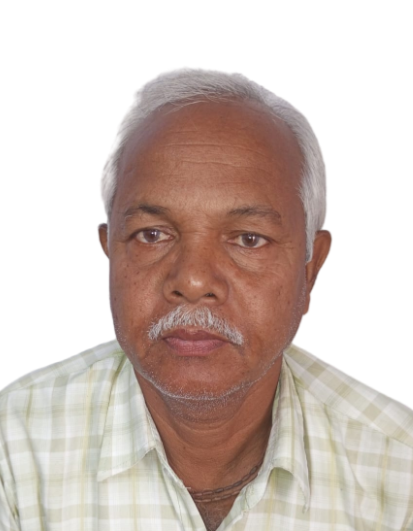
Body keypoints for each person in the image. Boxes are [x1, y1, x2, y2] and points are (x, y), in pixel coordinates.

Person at [1, 69, 412, 531]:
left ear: (309, 270)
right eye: (152, 235)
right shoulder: (14, 453)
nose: (193, 281)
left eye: (249, 239)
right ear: (111, 250)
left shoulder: (399, 472)